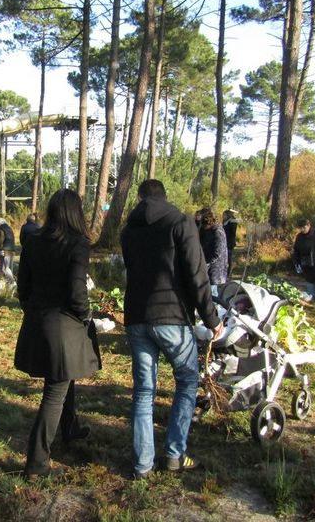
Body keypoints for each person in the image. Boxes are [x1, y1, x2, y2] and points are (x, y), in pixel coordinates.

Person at [120, 180, 223, 479]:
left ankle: (142, 465)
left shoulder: (129, 230)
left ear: (140, 199)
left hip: (137, 317)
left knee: (143, 392)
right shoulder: (180, 223)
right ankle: (175, 455)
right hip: (171, 316)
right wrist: (211, 318)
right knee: (188, 380)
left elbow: (132, 268)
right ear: (165, 197)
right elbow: (196, 272)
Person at [14, 189, 101, 479]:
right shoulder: (77, 244)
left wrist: (33, 308)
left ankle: (70, 427)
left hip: (38, 321)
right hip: (64, 324)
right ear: (76, 213)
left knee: (64, 377)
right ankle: (36, 463)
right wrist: (85, 315)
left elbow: (22, 288)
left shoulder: (33, 240)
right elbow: (78, 292)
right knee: (55, 391)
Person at [293, 219, 315, 301]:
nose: (302, 229)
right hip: (305, 261)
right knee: (310, 279)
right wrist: (297, 262)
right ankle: (312, 296)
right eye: (300, 228)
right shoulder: (299, 237)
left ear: (308, 226)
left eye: (304, 227)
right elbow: (296, 250)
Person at [198, 208, 228, 294]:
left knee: (214, 294)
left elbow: (217, 253)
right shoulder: (204, 230)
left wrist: (206, 264)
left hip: (216, 271)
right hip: (205, 268)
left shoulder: (218, 232)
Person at [0, 217, 16, 283]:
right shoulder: (9, 228)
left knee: (4, 269)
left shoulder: (0, 229)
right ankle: (6, 283)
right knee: (8, 268)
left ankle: (12, 282)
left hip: (4, 251)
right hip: (11, 251)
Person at [222, 209, 238, 279]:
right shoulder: (225, 222)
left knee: (229, 258)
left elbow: (232, 233)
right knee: (224, 258)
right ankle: (225, 272)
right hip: (224, 242)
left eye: (224, 215)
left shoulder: (232, 222)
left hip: (229, 242)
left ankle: (229, 274)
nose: (223, 216)